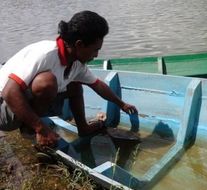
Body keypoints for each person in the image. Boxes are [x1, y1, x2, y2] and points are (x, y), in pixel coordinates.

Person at [0, 10, 137, 147]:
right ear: (79, 44)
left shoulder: (76, 62)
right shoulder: (45, 54)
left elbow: (97, 85)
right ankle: (31, 129)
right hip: (4, 108)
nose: (96, 55)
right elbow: (9, 92)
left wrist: (122, 104)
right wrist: (41, 128)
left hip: (19, 103)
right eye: (95, 49)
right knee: (47, 82)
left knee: (74, 85)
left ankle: (83, 128)